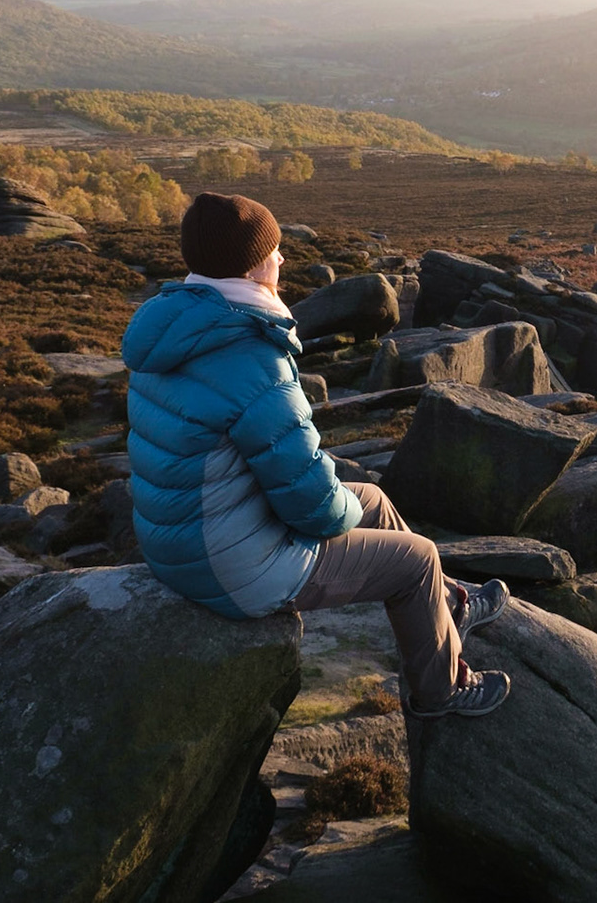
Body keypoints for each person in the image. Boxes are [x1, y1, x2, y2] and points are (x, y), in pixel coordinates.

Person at [120, 191, 511, 719]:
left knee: (370, 497)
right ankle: (440, 693)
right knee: (417, 559)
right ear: (253, 265)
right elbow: (313, 502)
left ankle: (446, 607)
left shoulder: (175, 326)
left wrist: (346, 508)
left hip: (181, 537)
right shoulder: (250, 353)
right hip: (229, 568)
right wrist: (337, 516)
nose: (282, 259)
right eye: (275, 250)